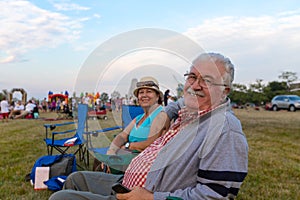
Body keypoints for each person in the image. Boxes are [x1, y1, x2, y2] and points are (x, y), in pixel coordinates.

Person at [49, 52, 248, 200]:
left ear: (224, 91)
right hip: (127, 182)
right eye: (192, 77)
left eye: (207, 80)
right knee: (76, 178)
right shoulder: (187, 109)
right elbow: (176, 104)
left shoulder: (224, 130)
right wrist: (169, 116)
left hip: (147, 194)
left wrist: (151, 197)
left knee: (60, 198)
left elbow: (215, 195)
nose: (195, 85)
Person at [94, 76, 169, 172]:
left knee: (103, 166)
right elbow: (122, 136)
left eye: (149, 92)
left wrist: (127, 146)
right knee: (99, 159)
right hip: (128, 153)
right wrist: (111, 151)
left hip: (143, 160)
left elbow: (151, 144)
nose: (144, 95)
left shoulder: (160, 115)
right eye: (141, 92)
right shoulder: (139, 118)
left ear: (157, 96)